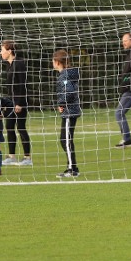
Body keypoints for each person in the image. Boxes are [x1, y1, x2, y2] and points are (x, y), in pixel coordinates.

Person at [0, 40, 32, 166]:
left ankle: (27, 158)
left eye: (2, 50)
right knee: (9, 126)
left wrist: (19, 103)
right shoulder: (9, 64)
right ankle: (11, 156)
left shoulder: (19, 63)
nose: (0, 52)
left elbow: (22, 85)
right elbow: (10, 87)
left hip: (20, 102)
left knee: (21, 127)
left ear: (9, 51)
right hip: (11, 102)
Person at [53, 49, 81, 178]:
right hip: (70, 111)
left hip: (69, 111)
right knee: (66, 139)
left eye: (53, 61)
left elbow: (69, 92)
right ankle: (72, 167)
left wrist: (61, 104)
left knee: (65, 140)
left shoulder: (64, 75)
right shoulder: (67, 74)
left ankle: (72, 169)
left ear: (58, 62)